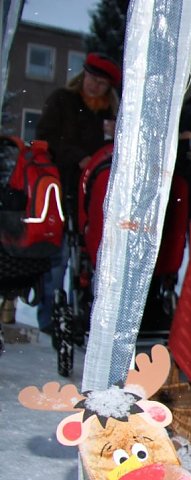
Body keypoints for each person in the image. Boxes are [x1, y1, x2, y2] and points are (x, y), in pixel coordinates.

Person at [35, 52, 121, 334]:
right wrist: (78, 157)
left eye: (101, 83)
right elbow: (46, 138)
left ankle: (84, 313)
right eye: (92, 79)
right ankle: (49, 315)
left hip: (92, 193)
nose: (94, 86)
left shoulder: (111, 115)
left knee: (87, 255)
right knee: (58, 257)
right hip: (61, 186)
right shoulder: (63, 101)